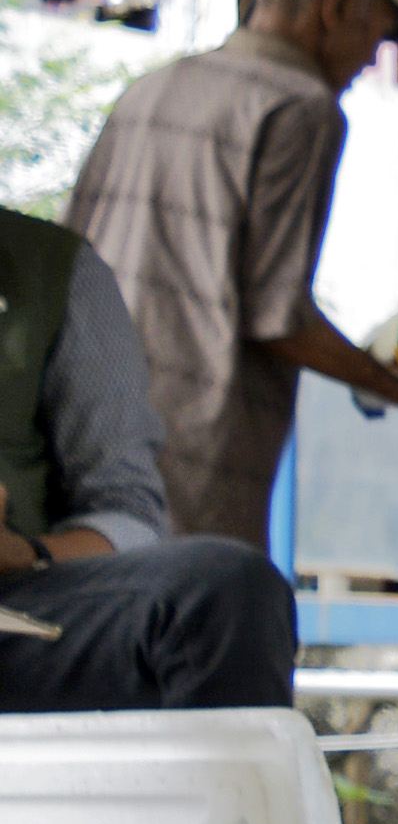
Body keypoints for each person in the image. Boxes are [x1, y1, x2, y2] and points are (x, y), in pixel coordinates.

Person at [63, 0, 398, 547]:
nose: (369, 60)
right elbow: (275, 316)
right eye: (379, 35)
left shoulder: (154, 87)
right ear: (335, 5)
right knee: (194, 627)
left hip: (81, 436)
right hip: (190, 455)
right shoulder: (300, 107)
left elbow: (64, 265)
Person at [0, 204, 296, 711]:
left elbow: (128, 513)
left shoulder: (52, 268)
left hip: (17, 610)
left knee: (221, 588)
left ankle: (226, 791)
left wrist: (26, 553)